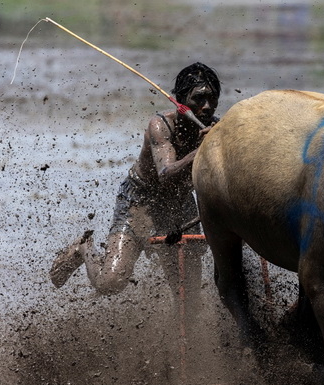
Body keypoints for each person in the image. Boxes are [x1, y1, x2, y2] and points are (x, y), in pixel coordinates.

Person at [49, 63, 221, 301]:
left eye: (213, 99)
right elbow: (166, 174)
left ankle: (183, 339)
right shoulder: (161, 126)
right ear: (180, 100)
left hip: (180, 205)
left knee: (188, 297)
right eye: (199, 99)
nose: (207, 107)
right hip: (140, 202)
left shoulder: (216, 130)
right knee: (110, 282)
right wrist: (201, 151)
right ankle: (83, 249)